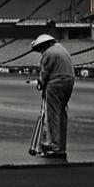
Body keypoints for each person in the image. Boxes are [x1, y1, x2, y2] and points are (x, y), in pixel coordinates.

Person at [32, 29, 74, 157]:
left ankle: (55, 148)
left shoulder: (48, 53)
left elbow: (44, 73)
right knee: (62, 114)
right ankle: (61, 147)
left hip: (55, 83)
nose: (40, 51)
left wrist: (41, 84)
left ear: (42, 45)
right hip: (69, 82)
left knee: (53, 116)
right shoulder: (61, 48)